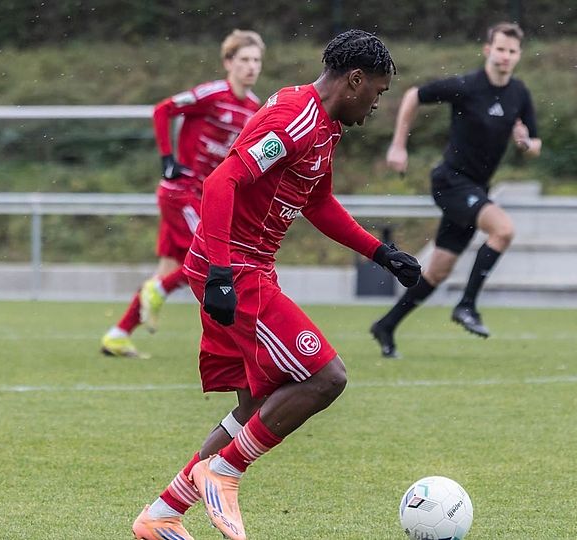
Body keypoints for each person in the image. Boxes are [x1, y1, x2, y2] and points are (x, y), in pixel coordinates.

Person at [131, 30, 420, 540]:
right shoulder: (296, 116)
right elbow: (222, 182)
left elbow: (319, 203)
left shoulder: (325, 127)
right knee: (326, 377)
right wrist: (221, 271)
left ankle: (162, 513)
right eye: (377, 92)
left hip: (241, 267)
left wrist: (380, 252)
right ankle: (225, 471)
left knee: (251, 408)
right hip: (236, 270)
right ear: (354, 80)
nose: (377, 105)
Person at [370, 22, 541, 358]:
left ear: (518, 55)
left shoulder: (519, 94)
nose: (505, 56)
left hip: (475, 189)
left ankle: (386, 325)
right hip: (450, 181)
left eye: (512, 51)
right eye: (500, 49)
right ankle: (467, 306)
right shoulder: (467, 86)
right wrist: (398, 146)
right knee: (503, 230)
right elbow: (412, 96)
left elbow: (535, 144)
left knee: (437, 270)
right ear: (487, 50)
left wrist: (525, 142)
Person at [101, 30, 265, 358]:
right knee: (209, 259)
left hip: (204, 197)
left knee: (171, 268)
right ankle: (166, 296)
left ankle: (118, 334)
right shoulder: (212, 94)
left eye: (257, 61)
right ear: (228, 63)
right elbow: (163, 110)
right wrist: (167, 159)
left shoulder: (254, 108)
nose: (251, 67)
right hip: (182, 192)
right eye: (244, 60)